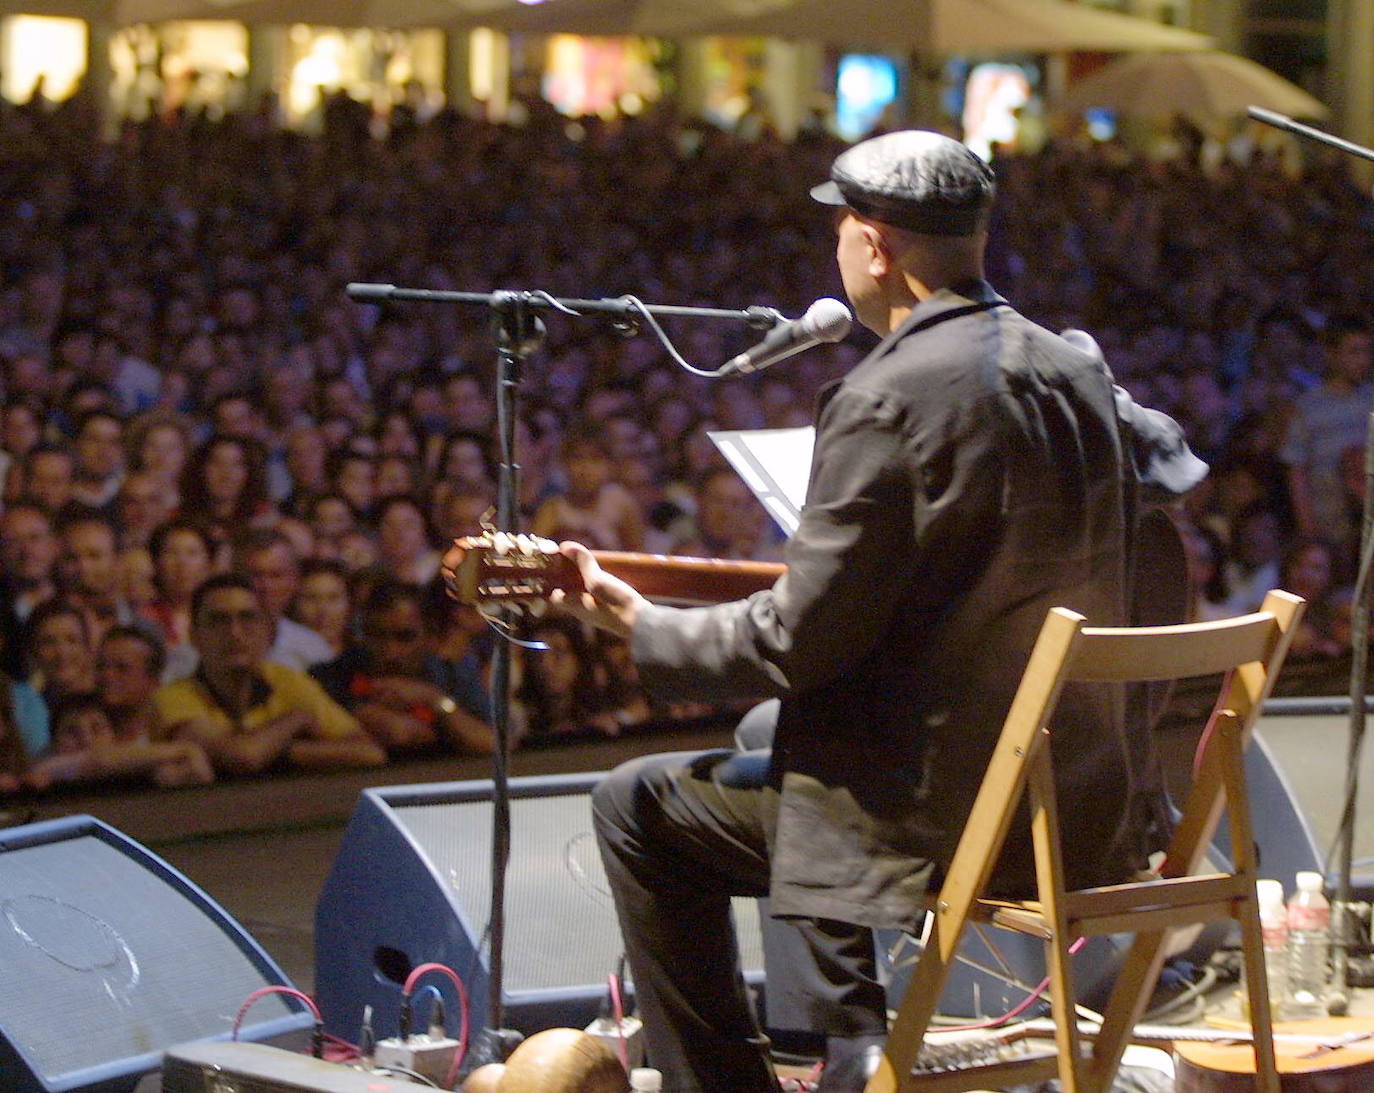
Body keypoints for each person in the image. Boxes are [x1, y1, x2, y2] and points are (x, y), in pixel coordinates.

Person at [442, 131, 1205, 1092]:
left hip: (968, 823)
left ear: (873, 244)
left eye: (841, 227)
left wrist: (636, 625)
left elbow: (793, 641)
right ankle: (846, 1044)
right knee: (786, 726)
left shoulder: (883, 396)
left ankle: (730, 1082)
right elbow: (1172, 468)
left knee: (636, 803)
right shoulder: (1076, 367)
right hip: (1093, 804)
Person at [151, 574, 385, 777]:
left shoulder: (288, 680)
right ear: (194, 636)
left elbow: (368, 752)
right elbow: (242, 757)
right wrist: (296, 721)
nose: (235, 633)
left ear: (267, 631)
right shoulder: (174, 698)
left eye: (247, 618)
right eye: (218, 621)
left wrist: (278, 749)